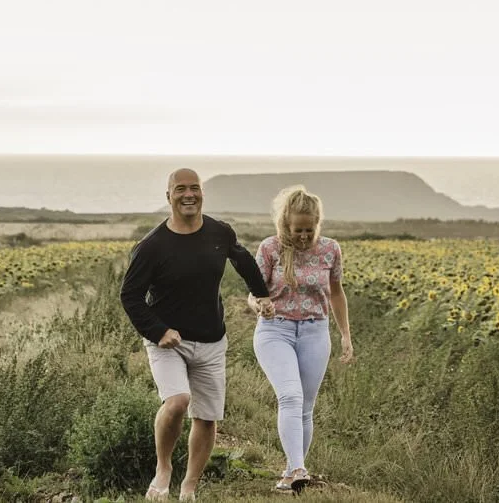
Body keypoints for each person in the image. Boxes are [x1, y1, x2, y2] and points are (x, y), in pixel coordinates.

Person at [121, 168, 275, 502]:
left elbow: (243, 259)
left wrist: (260, 294)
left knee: (206, 417)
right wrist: (158, 331)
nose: (188, 195)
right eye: (180, 189)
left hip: (211, 339)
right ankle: (164, 469)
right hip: (167, 341)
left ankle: (189, 486)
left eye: (194, 188)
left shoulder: (220, 232)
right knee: (177, 402)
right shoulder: (151, 246)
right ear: (168, 196)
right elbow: (129, 296)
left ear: (202, 193)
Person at [247, 185, 354, 493]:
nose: (304, 236)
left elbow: (336, 293)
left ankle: (289, 476)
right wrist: (259, 305)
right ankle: (298, 468)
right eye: (298, 230)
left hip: (315, 331)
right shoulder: (269, 249)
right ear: (285, 224)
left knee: (306, 407)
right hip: (275, 330)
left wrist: (345, 336)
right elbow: (253, 296)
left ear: (317, 222)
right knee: (290, 397)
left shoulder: (331, 249)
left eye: (309, 229)